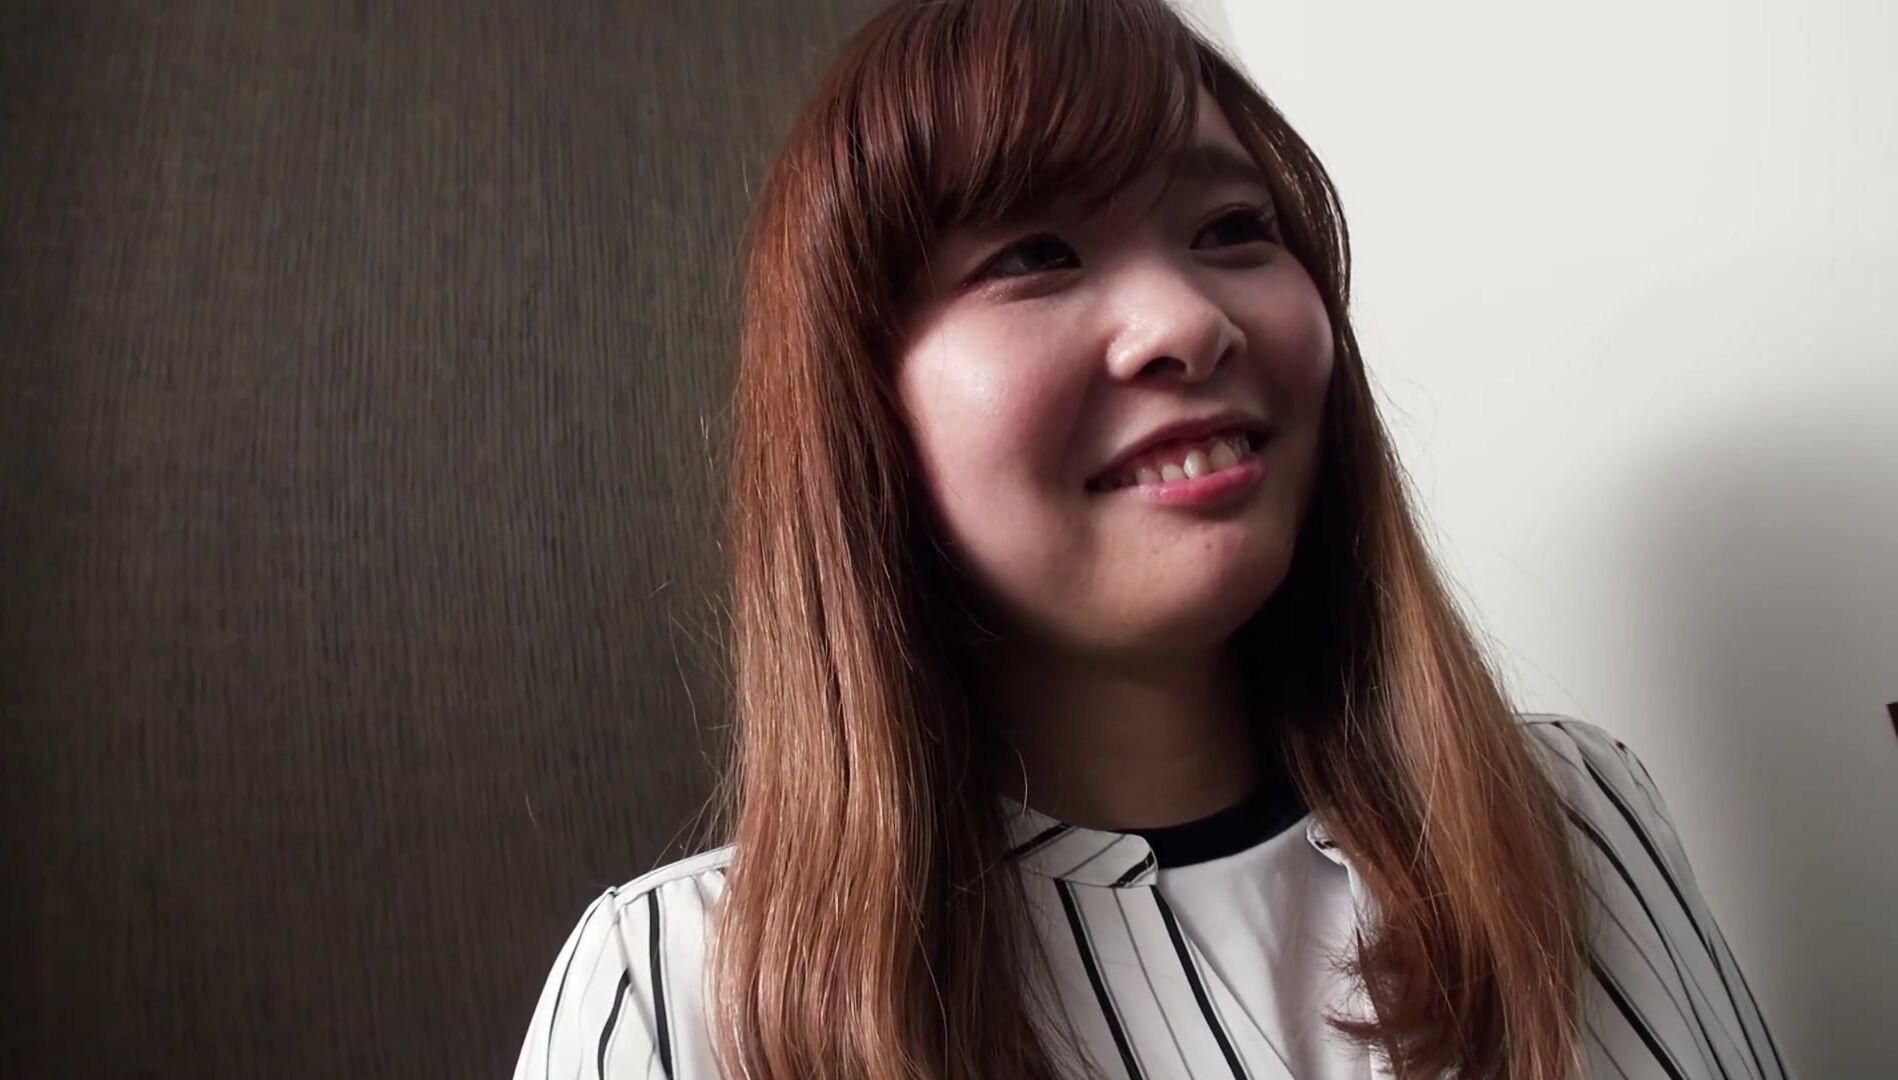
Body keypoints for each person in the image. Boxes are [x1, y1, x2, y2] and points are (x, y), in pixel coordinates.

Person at [514, 1, 1786, 1076]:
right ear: (863, 410)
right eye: (1032, 253)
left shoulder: (1573, 817)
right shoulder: (674, 992)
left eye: (1231, 228)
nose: (1186, 322)